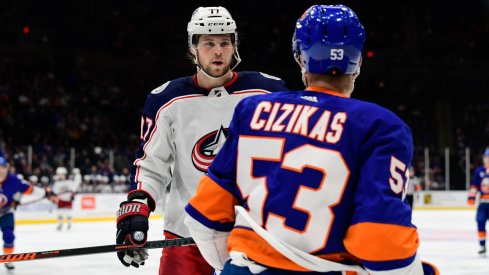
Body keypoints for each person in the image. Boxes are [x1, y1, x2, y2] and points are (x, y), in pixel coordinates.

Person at [184, 5, 439, 274]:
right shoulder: (381, 126)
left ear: (299, 58)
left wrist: (242, 263)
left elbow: (205, 216)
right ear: (359, 61)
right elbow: (380, 240)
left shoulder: (252, 110)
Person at [114, 6, 288, 275]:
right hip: (187, 233)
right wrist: (136, 209)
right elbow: (151, 166)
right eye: (208, 43)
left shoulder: (270, 92)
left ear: (234, 46)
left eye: (224, 42)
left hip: (252, 232)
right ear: (193, 48)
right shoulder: (166, 100)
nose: (218, 50)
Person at [0, 151, 56, 270]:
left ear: (7, 168)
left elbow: (30, 189)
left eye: (2, 167)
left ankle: (8, 259)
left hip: (5, 212)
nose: (0, 170)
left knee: (9, 236)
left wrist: (46, 193)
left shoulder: (13, 180)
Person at [468, 148, 489, 256]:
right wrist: (471, 197)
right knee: (480, 222)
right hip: (483, 203)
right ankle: (482, 245)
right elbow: (475, 185)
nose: (487, 159)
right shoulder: (479, 171)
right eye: (486, 157)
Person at [52, 166, 81, 231]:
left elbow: (74, 189)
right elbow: (55, 192)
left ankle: (69, 224)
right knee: (59, 213)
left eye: (62, 174)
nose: (60, 175)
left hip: (68, 199)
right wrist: (54, 198)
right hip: (61, 199)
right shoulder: (57, 183)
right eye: (59, 174)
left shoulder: (70, 182)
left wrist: (73, 195)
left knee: (68, 213)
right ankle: (60, 224)